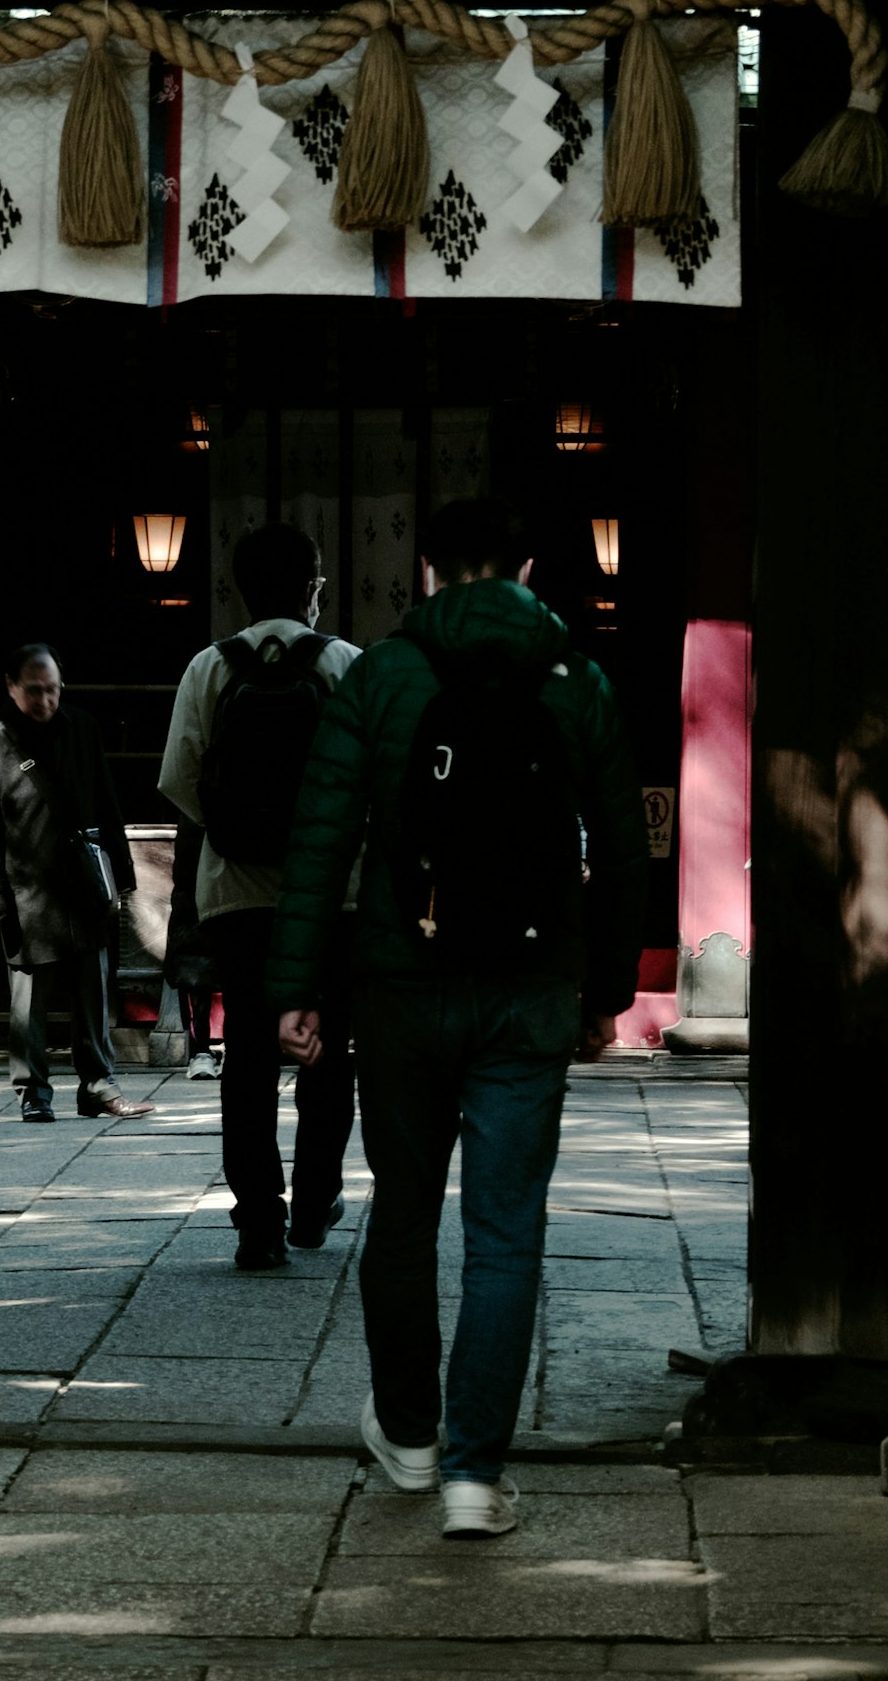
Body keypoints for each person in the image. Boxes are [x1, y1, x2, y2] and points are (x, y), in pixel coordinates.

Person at [268, 495, 644, 1541]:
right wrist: (605, 993)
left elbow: (323, 836)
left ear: (426, 571)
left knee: (401, 1209)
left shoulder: (382, 676)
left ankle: (410, 1433)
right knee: (504, 1232)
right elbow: (620, 850)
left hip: (403, 984)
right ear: (523, 562)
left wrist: (296, 986)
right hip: (531, 991)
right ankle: (476, 1475)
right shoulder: (577, 679)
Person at [159, 520, 361, 1270]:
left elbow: (181, 780)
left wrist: (235, 833)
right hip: (332, 896)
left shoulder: (209, 669)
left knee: (247, 1057)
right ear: (312, 587)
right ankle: (314, 1203)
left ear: (240, 592)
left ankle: (258, 1225)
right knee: (329, 1053)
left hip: (236, 898)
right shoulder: (345, 663)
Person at [0, 643, 154, 1122]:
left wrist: (122, 873)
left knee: (93, 990)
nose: (46, 701)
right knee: (29, 999)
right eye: (34, 691)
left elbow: (107, 801)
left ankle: (99, 1086)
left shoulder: (82, 728)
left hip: (82, 879)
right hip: (25, 885)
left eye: (53, 690)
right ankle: (33, 1092)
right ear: (11, 686)